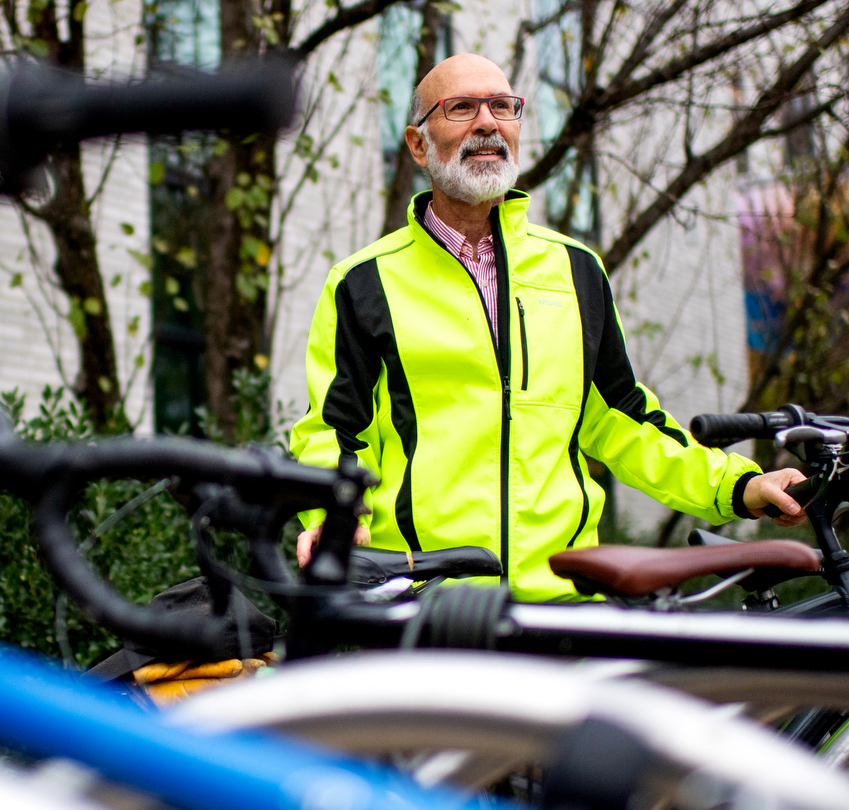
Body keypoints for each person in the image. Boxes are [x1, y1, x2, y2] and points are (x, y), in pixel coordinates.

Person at [289, 53, 806, 601]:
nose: (487, 122)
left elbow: (625, 421)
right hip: (424, 602)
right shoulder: (363, 282)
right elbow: (332, 430)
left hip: (565, 606)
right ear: (419, 144)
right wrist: (332, 517)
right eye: (461, 107)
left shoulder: (577, 269)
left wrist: (741, 484)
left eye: (503, 107)